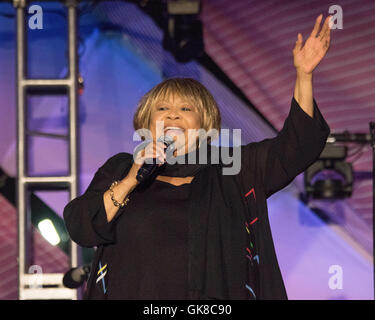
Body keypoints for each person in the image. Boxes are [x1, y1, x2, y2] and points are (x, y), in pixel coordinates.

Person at [63, 14, 332, 300]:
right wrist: (131, 180)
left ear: (205, 124)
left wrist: (304, 76)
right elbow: (82, 226)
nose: (173, 114)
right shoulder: (121, 169)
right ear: (147, 121)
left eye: (186, 109)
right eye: (162, 108)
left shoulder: (234, 169)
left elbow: (298, 145)